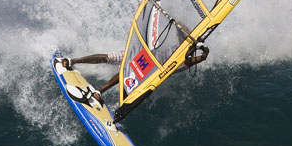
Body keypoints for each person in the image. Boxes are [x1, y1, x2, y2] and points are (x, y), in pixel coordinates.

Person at [57, 44, 209, 103]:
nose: (188, 50)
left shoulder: (183, 62)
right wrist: (195, 41)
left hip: (147, 69)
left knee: (126, 73)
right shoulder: (180, 43)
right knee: (107, 57)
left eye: (191, 51)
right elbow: (180, 27)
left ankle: (99, 91)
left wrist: (204, 53)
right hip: (140, 52)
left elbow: (201, 59)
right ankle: (72, 61)